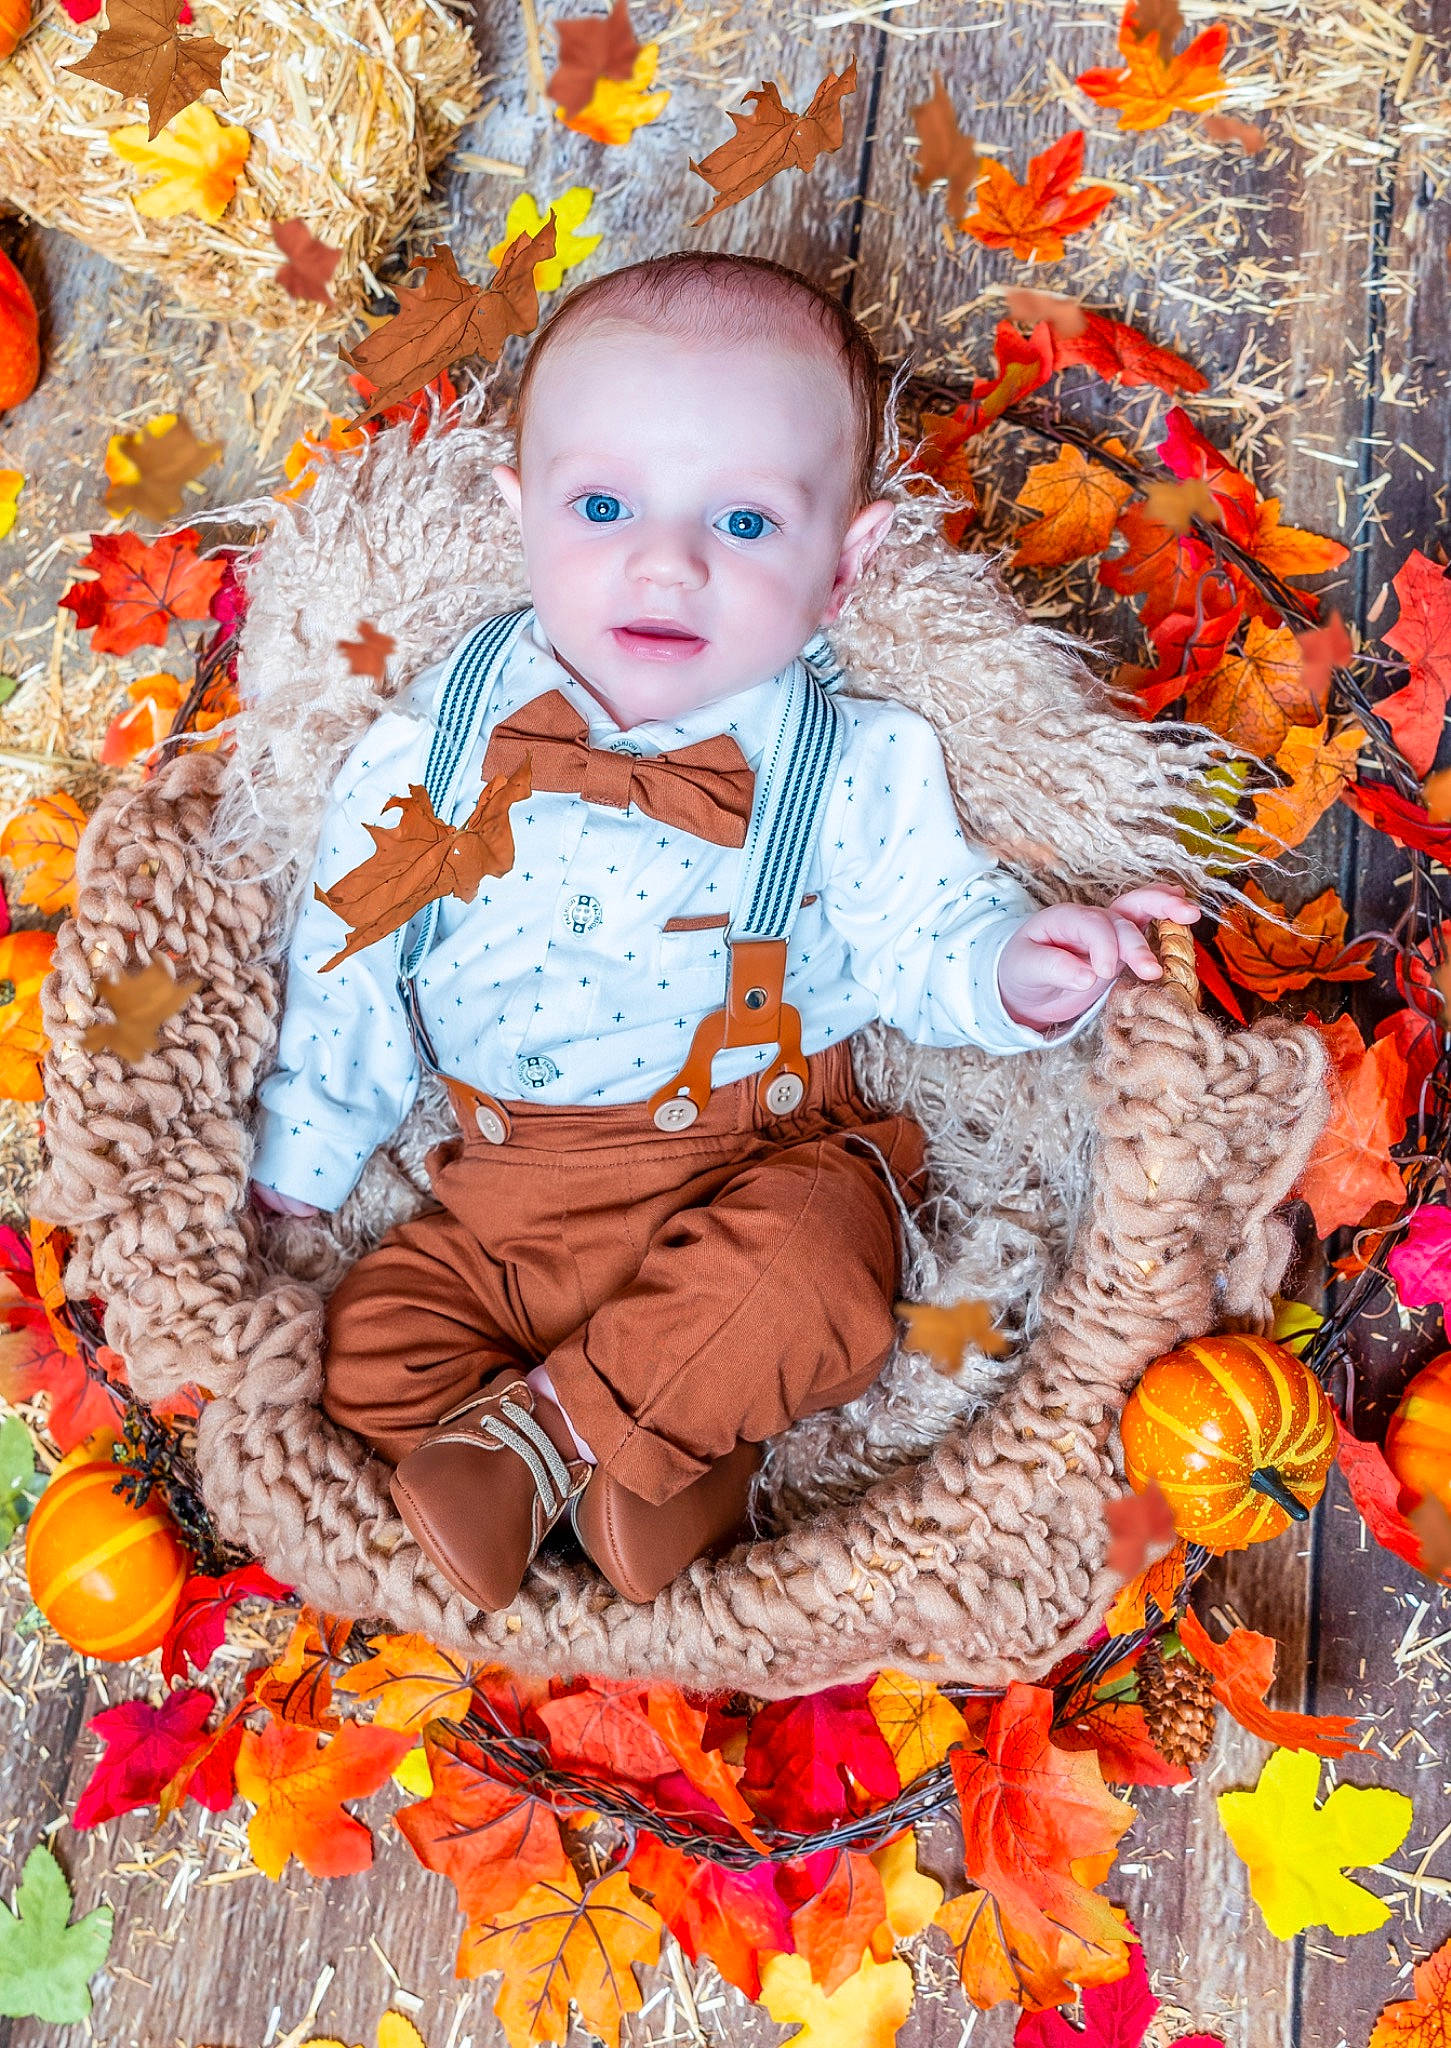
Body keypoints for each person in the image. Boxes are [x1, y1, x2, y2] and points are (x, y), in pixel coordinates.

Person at [247, 249, 1199, 1614]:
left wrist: (1022, 968)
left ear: (843, 565)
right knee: (368, 1353)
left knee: (821, 1266)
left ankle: (549, 1443)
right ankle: (671, 1467)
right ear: (520, 518)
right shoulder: (438, 733)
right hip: (502, 1200)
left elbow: (927, 928)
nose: (667, 562)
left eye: (745, 524)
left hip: (752, 1158)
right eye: (602, 507)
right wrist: (307, 1141)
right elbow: (353, 935)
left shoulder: (852, 758)